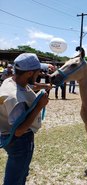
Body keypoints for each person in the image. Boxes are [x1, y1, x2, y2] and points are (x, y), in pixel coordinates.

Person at [0, 53, 50, 185]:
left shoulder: (10, 81)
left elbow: (28, 87)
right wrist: (39, 106)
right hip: (20, 141)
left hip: (7, 136)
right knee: (15, 178)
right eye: (37, 72)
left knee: (20, 172)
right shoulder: (15, 99)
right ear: (29, 73)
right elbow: (19, 130)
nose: (39, 74)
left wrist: (44, 86)